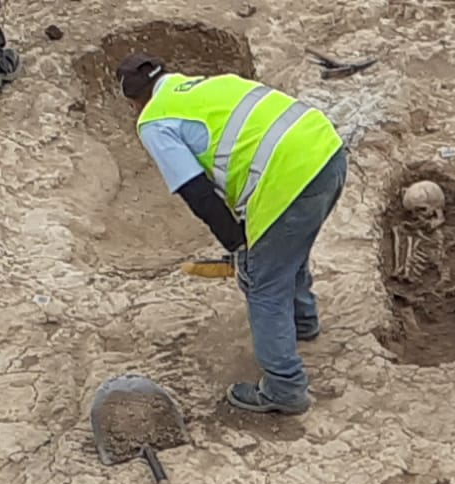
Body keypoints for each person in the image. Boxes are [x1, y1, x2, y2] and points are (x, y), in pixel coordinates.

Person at [117, 54, 348, 415]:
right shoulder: (208, 84)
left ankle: (285, 389)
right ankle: (303, 324)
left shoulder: (153, 120)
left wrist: (238, 244)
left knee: (263, 284)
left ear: (134, 101)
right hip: (327, 151)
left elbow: (195, 191)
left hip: (286, 177)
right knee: (286, 250)